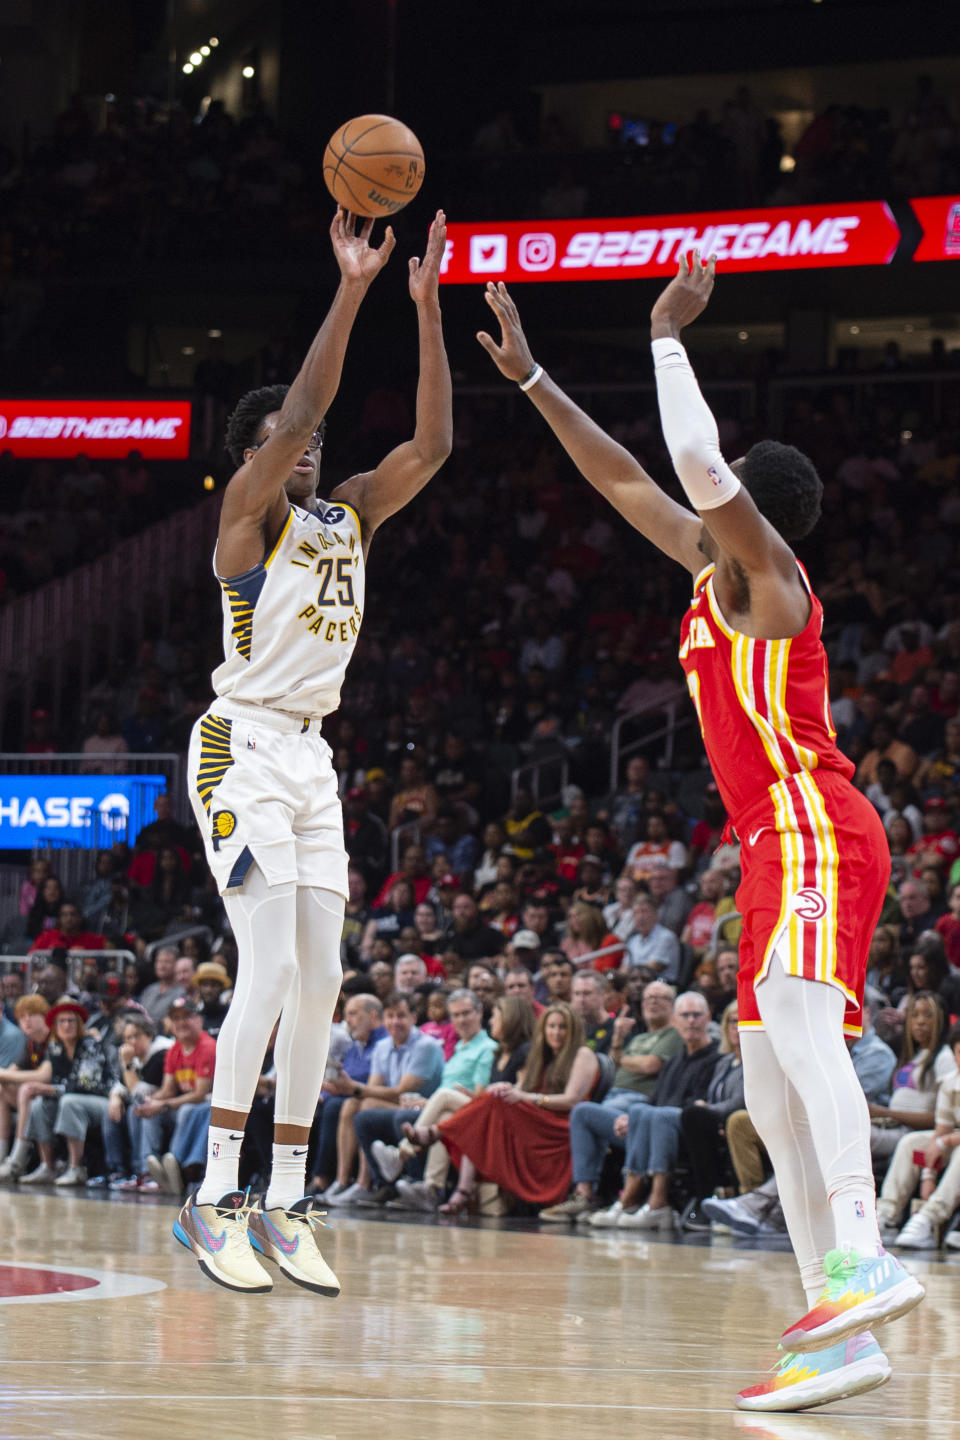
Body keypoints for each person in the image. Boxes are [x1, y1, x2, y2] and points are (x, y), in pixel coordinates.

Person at [476, 258, 921, 1413]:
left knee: (811, 1039)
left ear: (754, 519)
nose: (698, 515)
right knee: (766, 1091)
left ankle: (868, 1252)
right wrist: (531, 378)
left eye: (720, 508)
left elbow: (692, 464)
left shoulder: (773, 582)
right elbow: (625, 476)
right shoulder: (705, 571)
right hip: (770, 845)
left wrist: (667, 336)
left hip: (820, 823)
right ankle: (839, 1335)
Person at [176, 207, 451, 1295]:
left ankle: (285, 1199)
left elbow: (429, 447)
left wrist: (424, 311)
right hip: (237, 749)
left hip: (310, 758)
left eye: (316, 448)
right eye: (293, 444)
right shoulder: (248, 518)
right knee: (273, 966)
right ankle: (211, 1196)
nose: (313, 451)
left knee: (324, 979)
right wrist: (353, 287)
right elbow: (300, 408)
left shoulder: (349, 517)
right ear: (258, 457)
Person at [431, 1001, 599, 1213]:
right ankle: (462, 1189)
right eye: (551, 1026)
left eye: (562, 1027)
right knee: (492, 1100)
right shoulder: (541, 1055)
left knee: (481, 1107)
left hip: (561, 1124)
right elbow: (520, 1089)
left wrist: (527, 1097)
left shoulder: (583, 1054)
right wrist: (505, 1088)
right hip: (538, 1119)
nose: (556, 1032)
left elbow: (572, 1100)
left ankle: (436, 1134)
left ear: (573, 1030)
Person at [877, 1021, 960, 1249]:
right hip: (951, 1140)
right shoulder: (950, 1083)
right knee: (911, 1143)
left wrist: (947, 1140)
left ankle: (929, 1217)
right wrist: (928, 1176)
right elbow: (940, 1133)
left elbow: (946, 1138)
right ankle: (887, 1215)